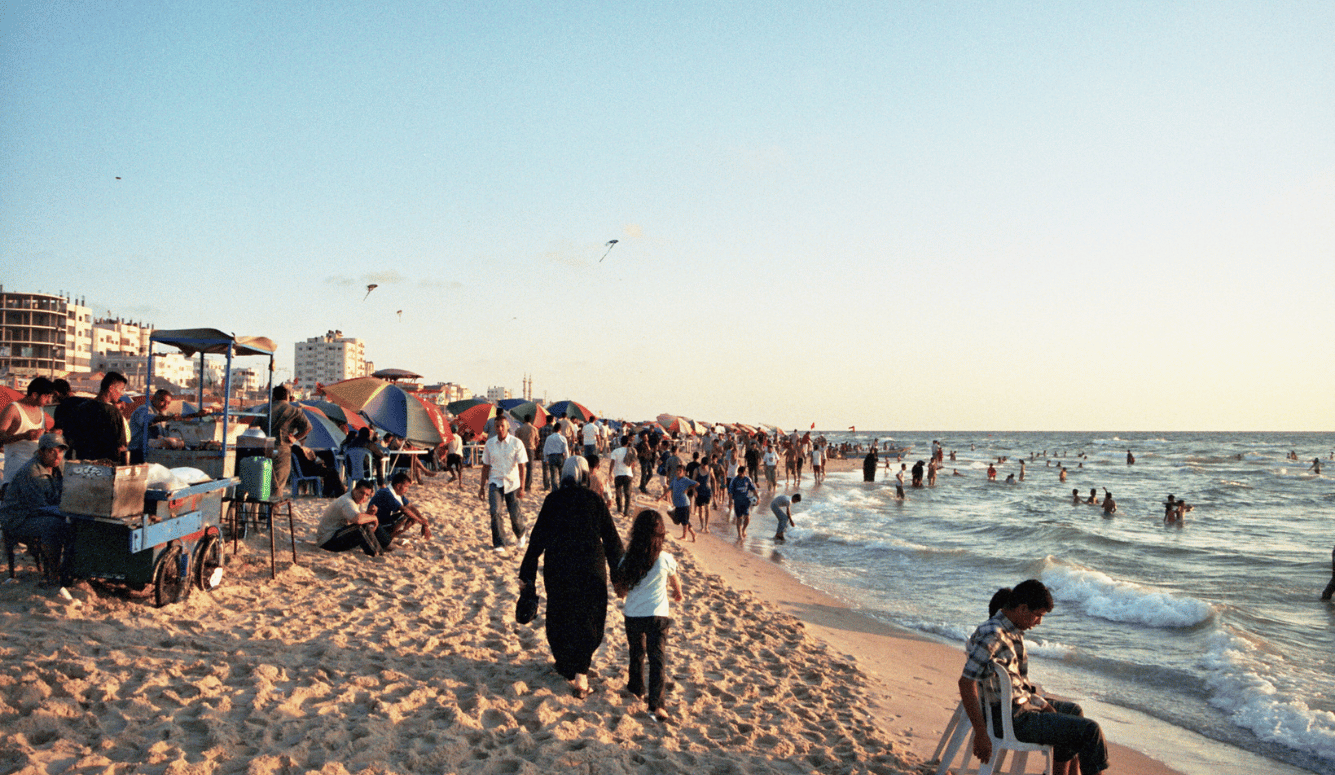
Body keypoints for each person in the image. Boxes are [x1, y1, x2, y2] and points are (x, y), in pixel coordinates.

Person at [958, 580, 1110, 775]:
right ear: (1022, 609)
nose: (1039, 621)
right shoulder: (994, 636)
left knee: (1073, 710)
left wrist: (1041, 703)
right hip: (1013, 719)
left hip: (1016, 706)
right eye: (1037, 615)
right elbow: (965, 682)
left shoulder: (1010, 630)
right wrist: (981, 733)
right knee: (1091, 731)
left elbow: (1017, 685)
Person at [519, 454, 624, 699]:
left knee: (560, 613)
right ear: (585, 477)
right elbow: (612, 540)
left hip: (558, 567)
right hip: (590, 568)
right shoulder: (595, 501)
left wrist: (527, 574)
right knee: (590, 616)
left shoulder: (552, 500)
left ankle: (565, 663)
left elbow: (537, 541)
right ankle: (580, 674)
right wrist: (619, 575)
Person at [612, 510, 682, 723]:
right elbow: (674, 579)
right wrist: (678, 593)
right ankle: (657, 705)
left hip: (633, 614)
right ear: (661, 534)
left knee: (637, 652)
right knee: (657, 658)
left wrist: (623, 591)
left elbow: (621, 590)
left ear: (636, 533)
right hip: (657, 616)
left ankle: (636, 687)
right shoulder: (665, 558)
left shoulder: (627, 558)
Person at [0, 433, 73, 585]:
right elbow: (40, 507)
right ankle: (52, 574)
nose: (57, 455)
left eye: (60, 451)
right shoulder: (32, 471)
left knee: (76, 523)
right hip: (18, 518)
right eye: (52, 451)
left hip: (39, 511)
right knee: (54, 525)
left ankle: (70, 568)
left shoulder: (58, 464)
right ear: (41, 452)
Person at [479, 413, 528, 554]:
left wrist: (522, 487)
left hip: (512, 483)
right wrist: (482, 487)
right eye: (497, 426)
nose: (500, 429)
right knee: (495, 512)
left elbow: (522, 467)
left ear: (507, 427)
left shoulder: (516, 443)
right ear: (494, 427)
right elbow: (485, 466)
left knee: (514, 514)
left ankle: (520, 533)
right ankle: (499, 543)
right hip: (495, 482)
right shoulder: (490, 444)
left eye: (502, 426)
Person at [252, 385, 311, 495]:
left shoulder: (265, 409)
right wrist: (295, 438)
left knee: (263, 482)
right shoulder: (294, 410)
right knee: (278, 483)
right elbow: (307, 427)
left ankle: (264, 508)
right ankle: (274, 509)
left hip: (264, 448)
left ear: (273, 396)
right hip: (282, 448)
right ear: (287, 397)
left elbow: (253, 427)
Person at [1, 377, 55, 490]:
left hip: (36, 470)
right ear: (35, 395)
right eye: (46, 396)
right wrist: (24, 436)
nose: (49, 401)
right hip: (15, 471)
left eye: (50, 397)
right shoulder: (13, 409)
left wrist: (51, 435)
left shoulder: (40, 410)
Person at [314, 479, 389, 556]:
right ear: (355, 489)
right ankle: (378, 554)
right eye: (361, 492)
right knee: (361, 527)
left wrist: (369, 514)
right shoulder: (347, 501)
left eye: (367, 495)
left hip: (336, 536)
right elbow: (358, 519)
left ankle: (386, 544)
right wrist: (373, 517)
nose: (363, 496)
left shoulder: (355, 500)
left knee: (368, 523)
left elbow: (356, 518)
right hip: (327, 541)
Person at [67, 372, 129, 464]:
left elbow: (71, 439)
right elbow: (121, 448)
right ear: (111, 388)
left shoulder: (80, 408)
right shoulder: (113, 412)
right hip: (107, 466)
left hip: (84, 465)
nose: (122, 393)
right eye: (121, 389)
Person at [368, 472, 433, 542]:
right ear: (398, 486)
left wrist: (422, 520)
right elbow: (404, 510)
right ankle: (387, 539)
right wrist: (421, 522)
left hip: (384, 520)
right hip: (376, 524)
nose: (407, 490)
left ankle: (388, 537)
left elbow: (410, 506)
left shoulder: (397, 493)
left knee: (413, 516)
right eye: (406, 487)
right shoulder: (387, 493)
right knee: (407, 516)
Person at [129, 389, 177, 465]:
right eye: (162, 401)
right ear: (154, 399)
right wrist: (169, 418)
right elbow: (149, 419)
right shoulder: (143, 409)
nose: (165, 405)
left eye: (168, 403)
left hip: (152, 453)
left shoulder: (162, 414)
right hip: (138, 452)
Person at [728, 465, 758, 539]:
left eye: (743, 473)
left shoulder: (748, 479)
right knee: (739, 518)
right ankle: (739, 534)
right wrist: (730, 501)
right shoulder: (734, 480)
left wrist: (758, 497)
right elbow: (730, 492)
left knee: (747, 517)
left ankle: (744, 529)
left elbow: (753, 489)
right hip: (737, 502)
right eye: (740, 473)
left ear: (745, 472)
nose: (741, 475)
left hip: (746, 502)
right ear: (738, 472)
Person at [609, 436, 637, 516]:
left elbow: (612, 462)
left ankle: (619, 508)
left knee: (618, 492)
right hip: (628, 474)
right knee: (627, 494)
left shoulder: (616, 451)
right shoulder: (631, 451)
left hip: (618, 474)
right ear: (628, 442)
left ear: (620, 442)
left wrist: (610, 473)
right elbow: (633, 463)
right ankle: (626, 511)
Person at [667, 467, 696, 542]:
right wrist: (660, 498)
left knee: (685, 521)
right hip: (678, 504)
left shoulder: (685, 479)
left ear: (683, 472)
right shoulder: (674, 479)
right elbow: (669, 489)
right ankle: (693, 533)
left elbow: (697, 483)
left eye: (680, 471)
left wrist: (688, 489)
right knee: (680, 520)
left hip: (685, 503)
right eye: (677, 470)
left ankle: (685, 536)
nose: (678, 472)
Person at [514, 414, 540, 493]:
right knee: (529, 468)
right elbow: (537, 440)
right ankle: (527, 486)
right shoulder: (534, 429)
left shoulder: (519, 429)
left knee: (520, 467)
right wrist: (535, 446)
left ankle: (519, 484)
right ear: (530, 420)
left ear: (524, 420)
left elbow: (516, 439)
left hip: (521, 449)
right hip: (530, 449)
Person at [542, 424, 569, 494]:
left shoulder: (549, 438)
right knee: (561, 474)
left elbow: (545, 449)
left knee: (553, 474)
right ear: (560, 430)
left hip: (551, 457)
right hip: (560, 456)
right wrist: (567, 459)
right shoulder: (562, 438)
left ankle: (555, 490)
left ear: (553, 429)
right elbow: (566, 450)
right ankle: (562, 489)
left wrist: (545, 459)